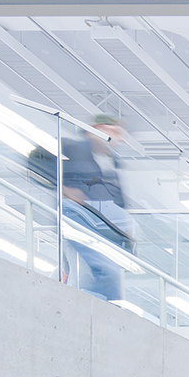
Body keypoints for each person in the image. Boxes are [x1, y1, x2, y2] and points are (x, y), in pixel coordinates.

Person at [61, 115, 135, 302]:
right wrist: (63, 188)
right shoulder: (71, 147)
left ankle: (107, 313)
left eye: (120, 135)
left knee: (110, 277)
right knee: (101, 271)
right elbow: (37, 159)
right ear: (96, 129)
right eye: (113, 132)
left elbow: (119, 204)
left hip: (105, 229)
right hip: (79, 220)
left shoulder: (112, 164)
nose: (118, 139)